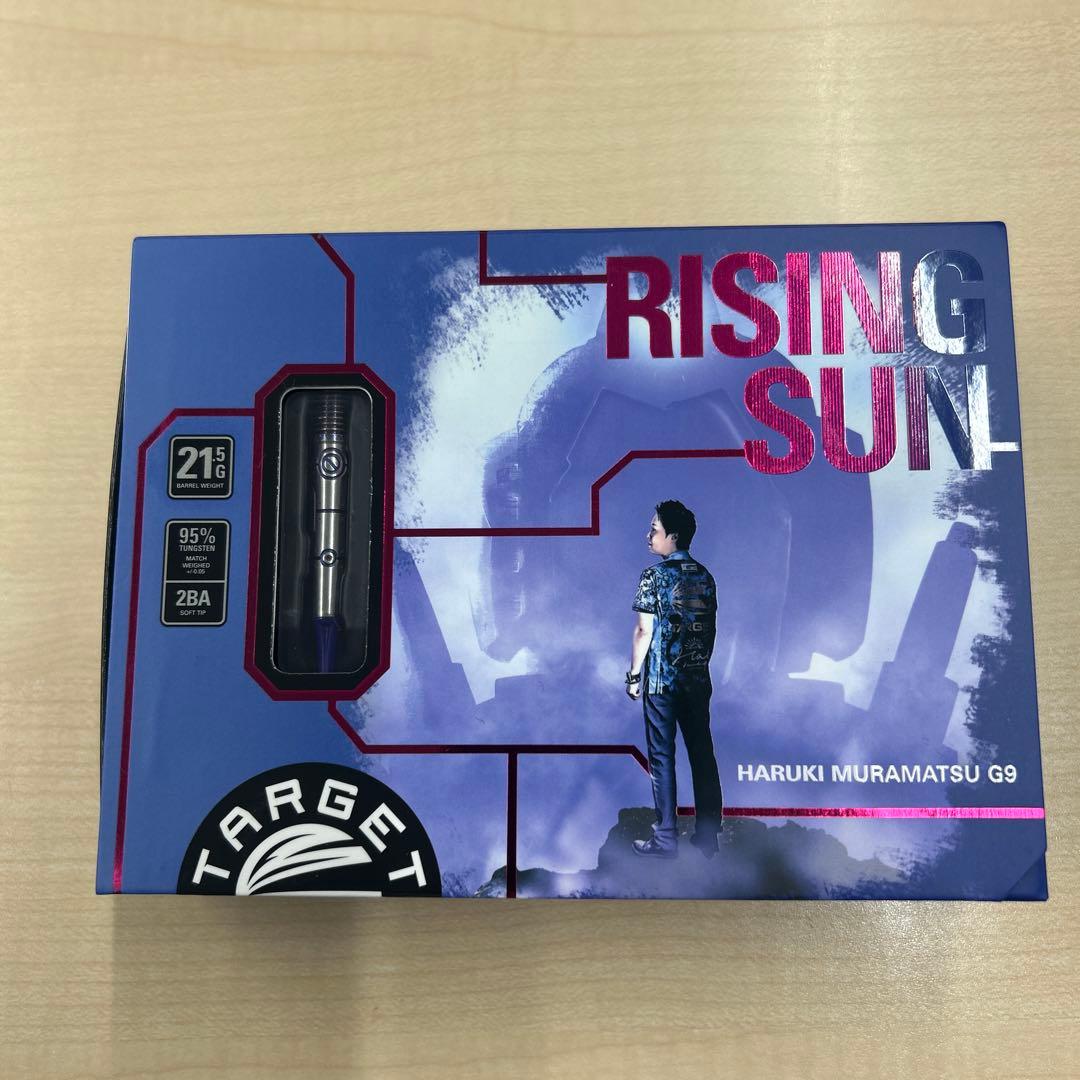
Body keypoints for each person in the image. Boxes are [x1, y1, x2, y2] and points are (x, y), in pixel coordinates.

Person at [626, 500, 724, 858]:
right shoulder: (705, 576)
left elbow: (643, 631)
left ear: (674, 536)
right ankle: (708, 835)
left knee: (662, 758)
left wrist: (633, 676)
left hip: (661, 682)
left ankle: (666, 839)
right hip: (697, 679)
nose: (648, 535)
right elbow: (710, 629)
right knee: (702, 753)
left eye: (654, 530)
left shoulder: (653, 577)